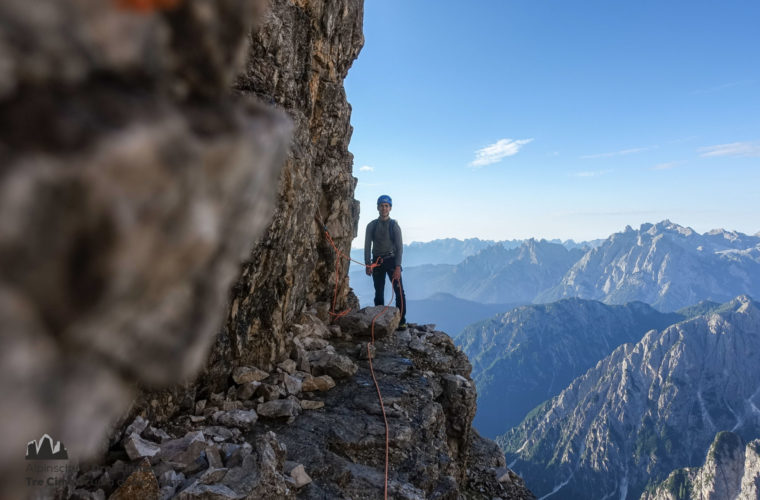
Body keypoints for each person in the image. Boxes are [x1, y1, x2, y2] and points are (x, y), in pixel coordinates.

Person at [364, 194, 407, 329]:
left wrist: (398, 267)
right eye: (382, 206)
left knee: (399, 291)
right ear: (378, 207)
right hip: (376, 261)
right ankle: (380, 321)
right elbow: (367, 246)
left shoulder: (394, 225)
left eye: (386, 206)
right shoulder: (371, 226)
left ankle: (401, 321)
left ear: (390, 208)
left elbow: (399, 248)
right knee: (379, 291)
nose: (384, 208)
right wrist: (367, 263)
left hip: (391, 261)